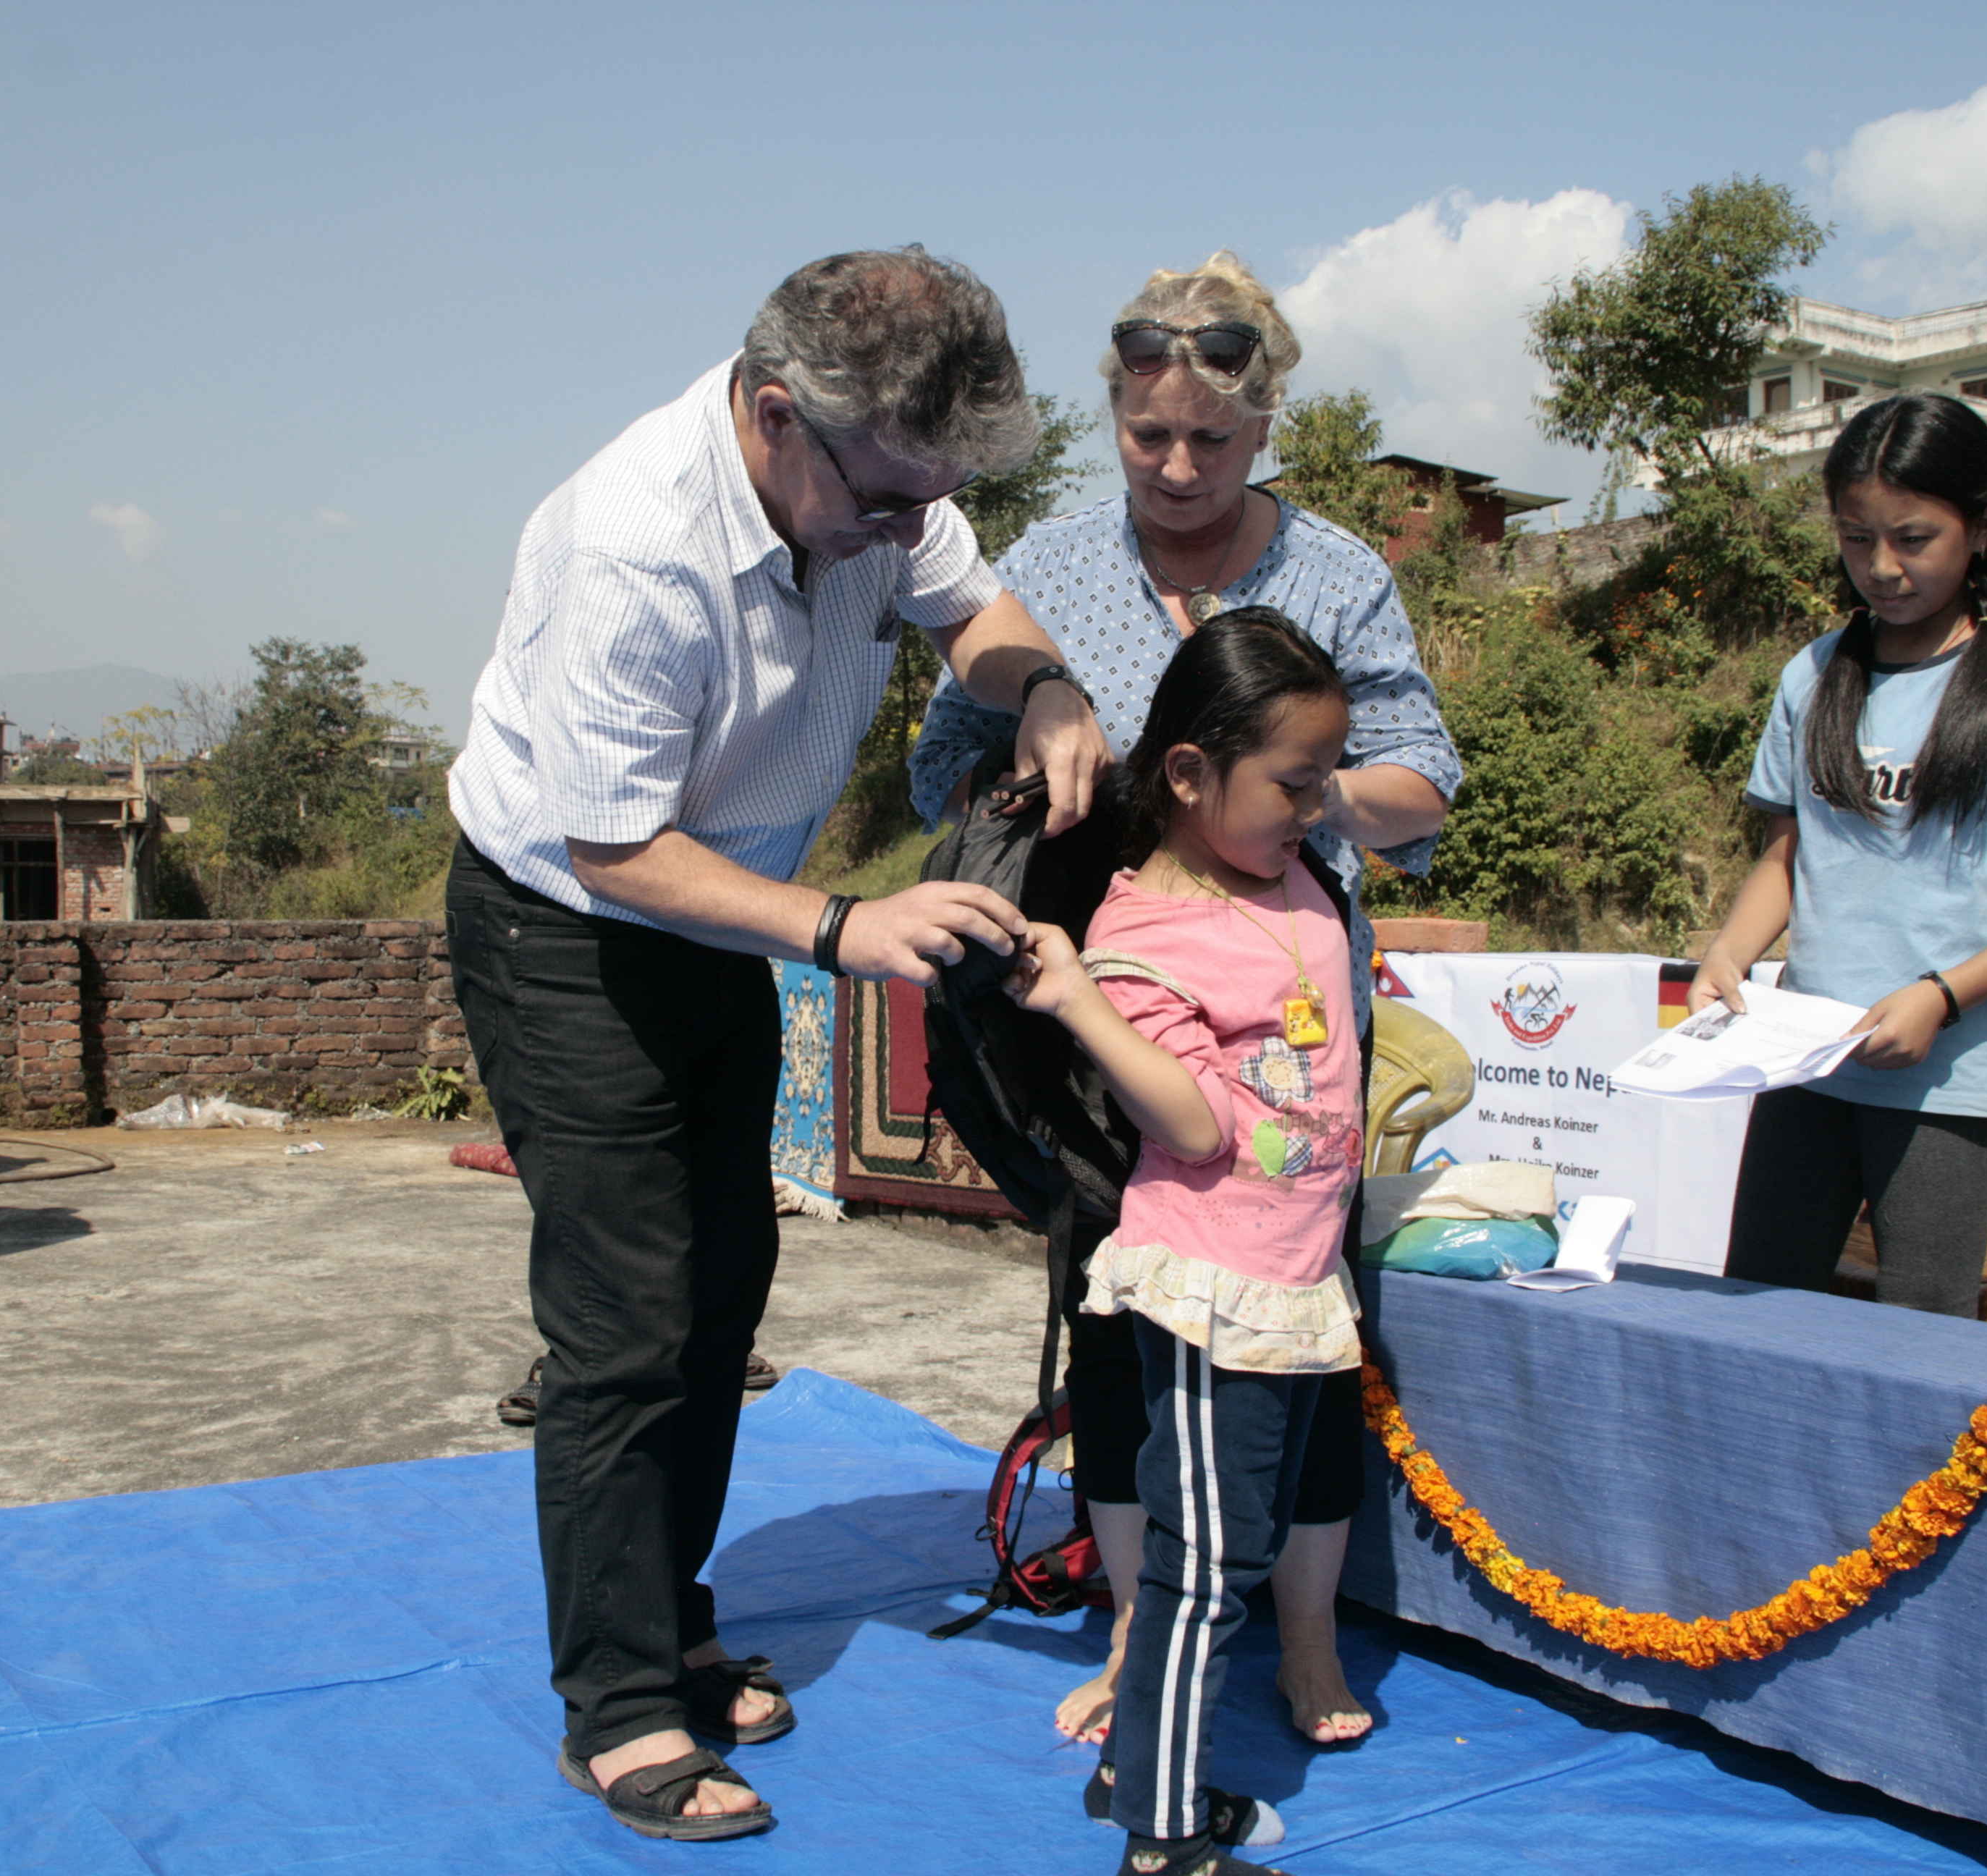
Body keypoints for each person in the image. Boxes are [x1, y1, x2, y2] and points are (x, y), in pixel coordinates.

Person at [442, 248, 1112, 1843]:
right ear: (770, 415)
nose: (905, 530)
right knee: (625, 1315)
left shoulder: (880, 471)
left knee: (722, 1282)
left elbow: (976, 607)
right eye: (884, 500)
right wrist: (841, 928)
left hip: (714, 914)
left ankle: (667, 1620)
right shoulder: (633, 548)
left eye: (924, 497)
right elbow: (613, 850)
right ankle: (614, 1710)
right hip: (572, 928)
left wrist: (1048, 689)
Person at [908, 253, 1456, 1747]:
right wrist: (1030, 744)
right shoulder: (1057, 569)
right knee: (1120, 1319)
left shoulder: (1337, 576)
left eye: (1211, 441)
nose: (1176, 467)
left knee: (1303, 1328)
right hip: (1101, 1013)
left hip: (1285, 1018)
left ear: (1267, 418)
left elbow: (1428, 791)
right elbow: (934, 770)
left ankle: (1305, 1643)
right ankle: (1141, 1632)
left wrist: (1303, 796)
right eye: (1147, 436)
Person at [1008, 612, 1362, 1876]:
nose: (1317, 807)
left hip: (1292, 1273)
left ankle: (1131, 1770)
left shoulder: (1278, 868)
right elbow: (1195, 1115)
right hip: (1216, 1289)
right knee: (1206, 1567)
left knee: (1230, 1548)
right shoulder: (1143, 932)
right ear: (1187, 774)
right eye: (1294, 782)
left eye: (1325, 777)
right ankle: (1161, 1843)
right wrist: (1082, 1004)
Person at [1690, 391, 1987, 1314]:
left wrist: (1942, 996)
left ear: (1983, 527)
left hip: (1946, 1084)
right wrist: (1732, 952)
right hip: (1805, 1066)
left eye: (1913, 539)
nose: (1881, 568)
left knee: (1921, 1330)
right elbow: (1783, 858)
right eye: (1856, 539)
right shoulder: (1814, 674)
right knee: (1758, 1308)